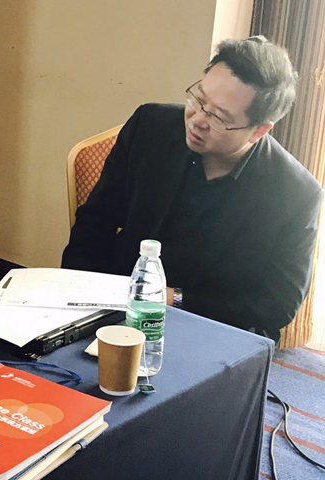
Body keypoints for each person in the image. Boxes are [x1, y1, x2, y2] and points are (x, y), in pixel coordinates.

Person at [62, 36, 324, 342]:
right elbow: (95, 221)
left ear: (259, 131)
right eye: (199, 99)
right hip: (122, 307)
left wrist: (173, 298)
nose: (198, 120)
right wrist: (75, 297)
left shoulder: (295, 194)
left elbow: (276, 306)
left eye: (219, 117)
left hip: (217, 329)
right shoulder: (150, 126)